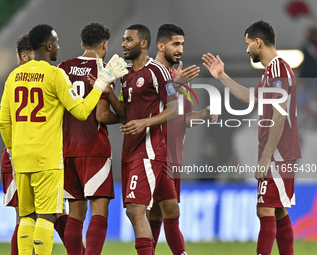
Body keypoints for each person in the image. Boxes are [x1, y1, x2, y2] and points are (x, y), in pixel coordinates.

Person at [0, 24, 127, 255]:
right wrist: (99, 86)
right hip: (55, 156)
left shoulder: (19, 75)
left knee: (27, 216)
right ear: (48, 45)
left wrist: (10, 148)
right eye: (56, 42)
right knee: (51, 216)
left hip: (31, 155)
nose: (59, 46)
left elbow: (2, 122)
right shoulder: (58, 73)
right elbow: (85, 112)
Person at [202, 20, 302, 255]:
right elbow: (249, 97)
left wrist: (266, 156)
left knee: (265, 210)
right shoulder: (271, 73)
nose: (246, 50)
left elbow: (279, 114)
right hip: (280, 152)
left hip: (277, 153)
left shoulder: (277, 69)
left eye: (248, 44)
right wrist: (222, 76)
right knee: (278, 210)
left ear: (258, 42)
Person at [104, 24, 178, 254]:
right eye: (124, 40)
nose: (124, 44)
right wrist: (108, 94)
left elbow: (175, 109)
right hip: (130, 151)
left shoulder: (158, 71)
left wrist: (144, 122)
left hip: (150, 151)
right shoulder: (125, 74)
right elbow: (127, 113)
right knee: (144, 211)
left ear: (143, 44)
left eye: (129, 40)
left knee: (136, 210)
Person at [149, 23, 217, 255]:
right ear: (160, 45)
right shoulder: (150, 73)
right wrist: (175, 83)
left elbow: (185, 118)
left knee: (157, 213)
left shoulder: (178, 78)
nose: (180, 49)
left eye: (182, 45)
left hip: (174, 158)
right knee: (172, 210)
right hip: (155, 154)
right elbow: (145, 104)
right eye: (175, 44)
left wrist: (205, 114)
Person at [56, 22, 119, 255]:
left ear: (82, 44)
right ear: (105, 45)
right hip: (94, 147)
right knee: (99, 211)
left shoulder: (62, 68)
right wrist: (124, 116)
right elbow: (102, 115)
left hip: (67, 148)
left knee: (75, 214)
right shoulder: (104, 69)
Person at [0, 33, 33, 255]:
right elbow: (3, 122)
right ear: (24, 56)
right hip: (18, 155)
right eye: (36, 54)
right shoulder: (15, 79)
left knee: (41, 216)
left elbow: (4, 121)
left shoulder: (12, 80)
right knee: (25, 217)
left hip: (30, 154)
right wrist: (13, 151)